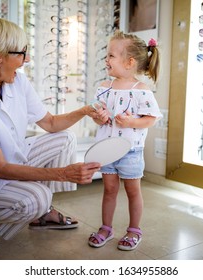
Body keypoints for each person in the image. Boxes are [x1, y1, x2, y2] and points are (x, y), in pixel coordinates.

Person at [0, 18, 101, 253]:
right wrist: (64, 173)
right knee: (36, 198)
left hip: (7, 160)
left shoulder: (17, 82)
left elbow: (51, 123)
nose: (27, 60)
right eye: (22, 54)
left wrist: (86, 110)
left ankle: (42, 213)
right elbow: (0, 169)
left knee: (65, 140)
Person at [88, 31, 162, 250]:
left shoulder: (141, 91)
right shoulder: (104, 87)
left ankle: (134, 230)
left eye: (111, 56)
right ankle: (106, 228)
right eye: (107, 55)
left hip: (130, 151)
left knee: (132, 191)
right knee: (109, 189)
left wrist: (131, 122)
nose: (106, 60)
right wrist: (99, 118)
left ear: (129, 62)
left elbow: (150, 119)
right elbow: (96, 115)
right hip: (106, 150)